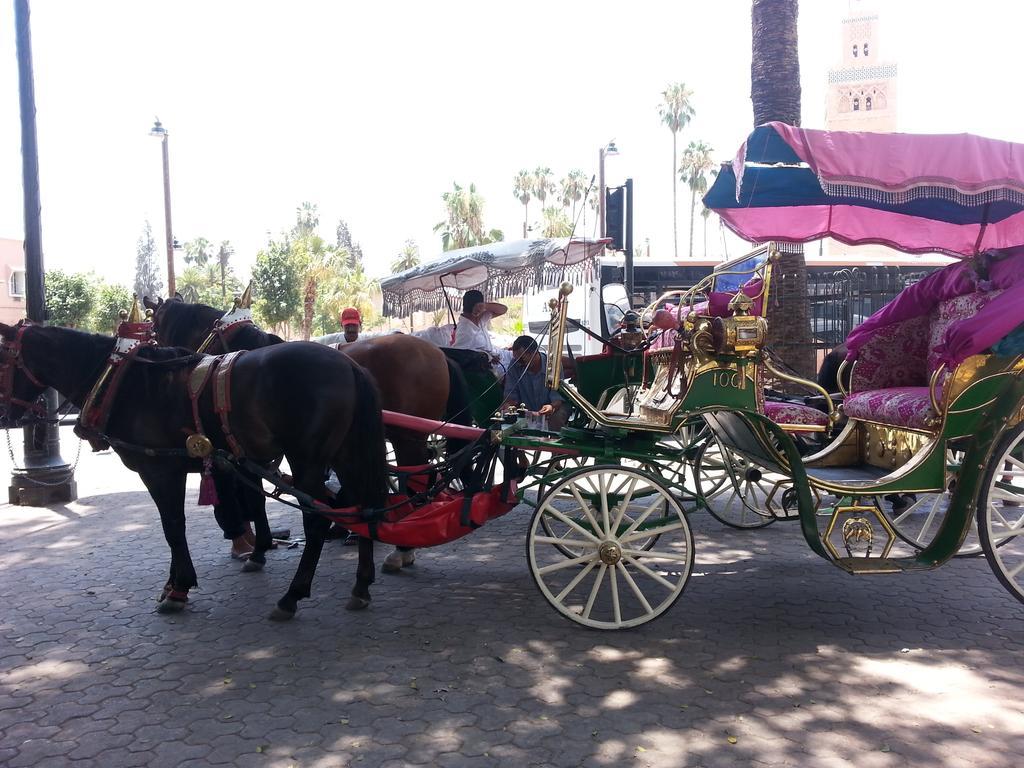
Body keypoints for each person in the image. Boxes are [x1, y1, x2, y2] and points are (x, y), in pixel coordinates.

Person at [501, 335, 567, 431]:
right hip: (527, 410)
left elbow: (557, 398)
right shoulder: (515, 365)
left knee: (556, 418)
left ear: (534, 353)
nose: (518, 363)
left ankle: (553, 445)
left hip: (554, 407)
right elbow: (511, 395)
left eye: (521, 359)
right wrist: (508, 407)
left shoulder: (553, 365)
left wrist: (551, 407)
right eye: (516, 359)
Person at [453, 290, 512, 373]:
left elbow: (503, 309)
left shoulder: (481, 318)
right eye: (477, 309)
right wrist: (489, 357)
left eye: (481, 308)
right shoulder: (465, 330)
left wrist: (485, 305)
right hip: (486, 368)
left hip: (498, 357)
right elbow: (461, 357)